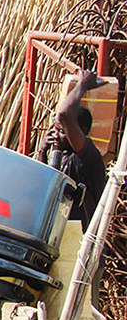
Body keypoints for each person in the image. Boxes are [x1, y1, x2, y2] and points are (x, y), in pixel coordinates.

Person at [39, 69, 108, 231]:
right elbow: (43, 188)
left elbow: (65, 114)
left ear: (80, 131)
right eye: (54, 130)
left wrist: (82, 85)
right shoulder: (60, 157)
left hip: (80, 244)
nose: (55, 135)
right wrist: (42, 151)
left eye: (62, 131)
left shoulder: (87, 158)